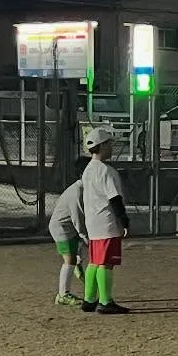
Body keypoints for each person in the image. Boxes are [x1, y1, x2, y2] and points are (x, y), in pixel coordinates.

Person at [80, 126, 131, 314]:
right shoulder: (106, 170)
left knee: (94, 261)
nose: (112, 148)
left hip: (92, 222)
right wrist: (123, 220)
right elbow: (114, 198)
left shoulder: (88, 170)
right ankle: (105, 301)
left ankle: (89, 299)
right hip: (106, 222)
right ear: (102, 146)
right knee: (106, 263)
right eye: (109, 144)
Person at [49, 177, 86, 306]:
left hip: (70, 227)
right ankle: (63, 295)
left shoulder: (83, 189)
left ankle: (77, 265)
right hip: (62, 228)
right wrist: (85, 236)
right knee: (69, 260)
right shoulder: (77, 191)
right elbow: (78, 218)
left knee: (75, 255)